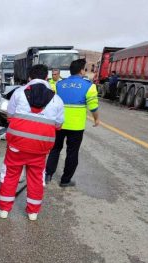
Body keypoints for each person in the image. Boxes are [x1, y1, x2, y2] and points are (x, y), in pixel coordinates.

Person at [0, 64, 64, 221]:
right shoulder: (57, 99)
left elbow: (10, 115)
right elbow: (59, 125)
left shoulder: (19, 93)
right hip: (40, 148)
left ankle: (4, 210)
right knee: (35, 178)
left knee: (10, 175)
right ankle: (33, 212)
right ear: (46, 77)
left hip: (17, 145)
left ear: (29, 78)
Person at [45, 59, 100, 187]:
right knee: (72, 152)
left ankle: (48, 175)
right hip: (76, 126)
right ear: (81, 70)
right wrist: (97, 119)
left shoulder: (60, 84)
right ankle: (65, 180)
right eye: (84, 69)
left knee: (55, 149)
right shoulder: (89, 86)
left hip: (59, 124)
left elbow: (54, 103)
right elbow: (93, 107)